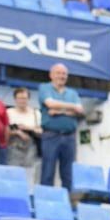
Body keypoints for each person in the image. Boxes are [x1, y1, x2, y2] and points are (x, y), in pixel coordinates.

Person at [37, 63, 84, 191]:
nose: (61, 76)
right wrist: (72, 108)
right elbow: (50, 104)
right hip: (51, 136)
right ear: (51, 75)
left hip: (69, 137)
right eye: (58, 73)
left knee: (68, 174)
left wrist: (59, 111)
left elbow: (80, 110)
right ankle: (46, 202)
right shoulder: (44, 88)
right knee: (48, 172)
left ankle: (67, 203)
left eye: (64, 74)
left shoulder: (72, 93)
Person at [6, 86, 41, 183]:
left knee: (29, 176)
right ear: (15, 99)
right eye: (20, 98)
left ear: (28, 99)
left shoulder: (35, 113)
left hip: (30, 147)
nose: (22, 101)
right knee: (13, 175)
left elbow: (40, 131)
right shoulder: (9, 112)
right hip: (14, 146)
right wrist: (18, 132)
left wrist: (26, 128)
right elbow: (5, 129)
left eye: (24, 98)